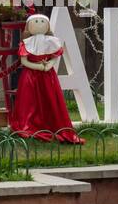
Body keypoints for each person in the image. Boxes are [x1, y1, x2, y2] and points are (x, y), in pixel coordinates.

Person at [10, 13, 83, 144]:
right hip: (30, 77)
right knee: (30, 102)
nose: (39, 24)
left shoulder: (52, 42)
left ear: (48, 26)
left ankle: (52, 125)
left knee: (49, 99)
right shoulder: (26, 43)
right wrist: (38, 67)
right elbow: (24, 62)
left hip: (48, 76)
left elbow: (55, 56)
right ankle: (30, 125)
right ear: (28, 26)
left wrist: (48, 65)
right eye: (36, 21)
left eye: (42, 22)